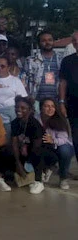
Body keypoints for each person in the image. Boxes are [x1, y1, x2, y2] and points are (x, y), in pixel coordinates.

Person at [11, 96, 57, 194]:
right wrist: (18, 163)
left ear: (30, 110)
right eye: (17, 107)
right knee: (9, 150)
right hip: (27, 150)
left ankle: (39, 181)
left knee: (36, 152)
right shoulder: (15, 123)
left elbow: (37, 146)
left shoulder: (34, 124)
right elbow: (14, 143)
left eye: (23, 108)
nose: (19, 110)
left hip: (45, 153)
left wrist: (26, 164)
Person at [38, 98, 73, 190]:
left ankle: (63, 178)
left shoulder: (59, 119)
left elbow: (63, 139)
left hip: (61, 144)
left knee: (64, 151)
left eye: (53, 106)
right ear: (41, 108)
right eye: (47, 106)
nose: (50, 109)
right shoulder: (36, 119)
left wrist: (53, 140)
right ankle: (45, 169)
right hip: (45, 145)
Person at [0, 56, 28, 133]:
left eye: (2, 66)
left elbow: (23, 99)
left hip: (11, 116)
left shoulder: (15, 80)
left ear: (8, 67)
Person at [59, 31, 78, 162]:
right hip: (73, 104)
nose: (76, 42)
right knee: (76, 137)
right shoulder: (67, 61)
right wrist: (61, 102)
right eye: (74, 40)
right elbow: (63, 82)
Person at [27, 31, 63, 102]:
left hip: (56, 100)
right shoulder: (31, 60)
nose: (47, 43)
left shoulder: (61, 59)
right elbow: (27, 81)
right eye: (44, 40)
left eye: (50, 40)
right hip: (36, 100)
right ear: (39, 43)